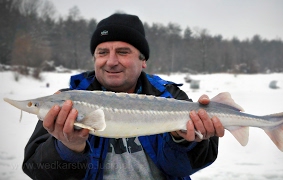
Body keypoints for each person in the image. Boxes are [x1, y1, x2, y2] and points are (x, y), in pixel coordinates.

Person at [22, 13, 225, 180]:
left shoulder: (169, 96)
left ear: (143, 60)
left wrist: (185, 142)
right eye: (102, 52)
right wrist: (68, 147)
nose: (111, 61)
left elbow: (182, 169)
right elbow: (36, 170)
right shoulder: (67, 102)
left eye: (122, 52)